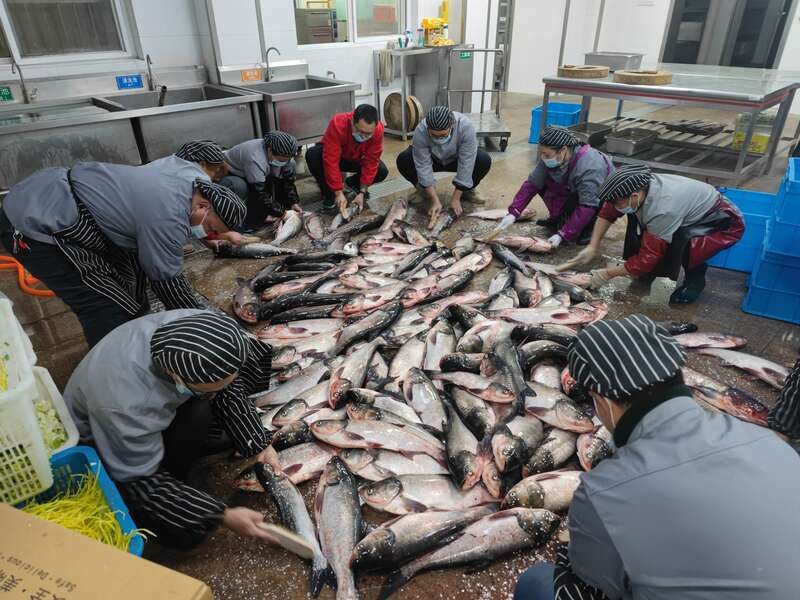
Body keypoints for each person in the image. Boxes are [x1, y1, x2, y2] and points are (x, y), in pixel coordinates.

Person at [514, 315, 800, 600]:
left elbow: (598, 581)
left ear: (604, 401)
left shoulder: (603, 491)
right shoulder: (767, 442)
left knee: (535, 583)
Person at [64, 310, 278, 549]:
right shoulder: (127, 405)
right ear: (175, 375)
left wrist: (259, 443)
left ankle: (181, 465)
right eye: (206, 389)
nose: (216, 393)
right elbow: (140, 479)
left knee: (210, 410)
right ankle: (173, 478)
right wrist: (222, 515)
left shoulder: (201, 327)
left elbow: (228, 385)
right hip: (107, 439)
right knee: (187, 535)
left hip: (134, 403)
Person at [0, 162, 245, 347]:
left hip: (71, 207)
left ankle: (137, 342)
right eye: (212, 228)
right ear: (203, 206)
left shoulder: (184, 188)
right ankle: (114, 371)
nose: (208, 234)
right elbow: (167, 282)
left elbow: (149, 266)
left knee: (132, 288)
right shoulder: (168, 215)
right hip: (37, 222)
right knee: (105, 307)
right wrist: (207, 325)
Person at [557, 165, 745, 304]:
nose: (614, 206)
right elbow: (608, 212)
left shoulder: (663, 209)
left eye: (617, 202)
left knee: (685, 243)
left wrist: (607, 274)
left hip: (718, 220)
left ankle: (695, 280)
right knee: (638, 225)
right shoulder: (633, 186)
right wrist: (593, 245)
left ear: (635, 196)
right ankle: (641, 269)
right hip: (684, 208)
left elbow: (649, 255)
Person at [493, 126, 613, 247]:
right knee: (543, 185)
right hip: (571, 189)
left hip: (596, 198)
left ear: (563, 150)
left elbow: (587, 205)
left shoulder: (590, 167)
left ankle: (590, 228)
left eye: (546, 154)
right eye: (541, 153)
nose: (543, 157)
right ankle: (559, 218)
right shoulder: (551, 157)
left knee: (583, 214)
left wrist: (563, 235)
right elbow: (532, 184)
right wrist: (514, 212)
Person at [396, 106, 492, 224]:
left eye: (442, 135)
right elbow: (423, 165)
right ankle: (423, 190)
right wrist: (435, 200)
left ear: (452, 126)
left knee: (482, 160)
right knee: (404, 159)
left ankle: (467, 190)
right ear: (428, 129)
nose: (438, 138)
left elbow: (466, 163)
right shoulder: (421, 130)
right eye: (434, 135)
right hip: (434, 159)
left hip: (455, 159)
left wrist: (456, 198)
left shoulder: (465, 126)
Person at [304, 104, 388, 215]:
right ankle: (329, 193)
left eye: (368, 134)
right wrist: (338, 192)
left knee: (381, 170)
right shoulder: (338, 123)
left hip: (356, 158)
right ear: (352, 121)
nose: (363, 136)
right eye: (360, 131)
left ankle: (354, 184)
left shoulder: (378, 130)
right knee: (313, 155)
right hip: (338, 157)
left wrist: (363, 191)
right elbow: (331, 160)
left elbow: (371, 161)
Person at [220, 131, 301, 231]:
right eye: (280, 160)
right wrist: (282, 213)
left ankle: (274, 212)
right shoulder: (255, 158)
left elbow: (288, 182)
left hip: (256, 172)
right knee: (240, 186)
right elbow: (259, 193)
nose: (283, 162)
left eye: (286, 160)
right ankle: (241, 223)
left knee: (288, 168)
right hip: (233, 172)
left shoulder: (285, 156)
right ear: (270, 150)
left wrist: (293, 202)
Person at [143, 140, 228, 184]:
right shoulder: (198, 180)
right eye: (215, 171)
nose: (216, 178)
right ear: (202, 164)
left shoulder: (173, 159)